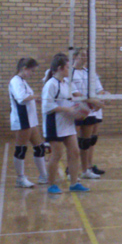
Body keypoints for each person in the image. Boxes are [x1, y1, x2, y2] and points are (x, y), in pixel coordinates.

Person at [42, 54, 89, 194]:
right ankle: (51, 185)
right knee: (57, 155)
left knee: (75, 153)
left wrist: (89, 104)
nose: (70, 70)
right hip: (54, 124)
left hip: (68, 123)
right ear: (60, 68)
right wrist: (67, 110)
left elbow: (77, 97)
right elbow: (47, 107)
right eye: (68, 67)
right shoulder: (50, 84)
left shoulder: (67, 83)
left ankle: (74, 183)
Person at [9, 58, 48, 188]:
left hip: (31, 120)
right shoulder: (15, 81)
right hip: (22, 120)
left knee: (39, 148)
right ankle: (20, 178)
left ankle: (43, 175)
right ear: (24, 68)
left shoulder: (22, 81)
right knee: (21, 149)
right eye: (32, 71)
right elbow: (21, 98)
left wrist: (35, 100)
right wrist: (36, 96)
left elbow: (26, 97)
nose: (32, 74)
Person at [70, 51, 104, 180]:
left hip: (89, 111)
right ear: (75, 56)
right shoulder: (70, 72)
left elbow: (99, 89)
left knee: (86, 142)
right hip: (76, 111)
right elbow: (75, 93)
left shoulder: (90, 73)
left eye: (86, 55)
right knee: (72, 143)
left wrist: (101, 98)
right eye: (82, 55)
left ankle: (85, 170)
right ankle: (70, 169)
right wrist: (93, 101)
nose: (85, 57)